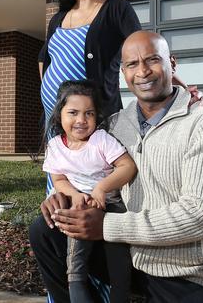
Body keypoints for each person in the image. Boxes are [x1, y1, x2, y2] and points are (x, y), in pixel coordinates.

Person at [29, 31, 203, 302]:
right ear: (123, 73)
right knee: (44, 230)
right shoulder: (115, 124)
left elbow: (201, 216)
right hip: (130, 258)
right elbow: (83, 164)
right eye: (131, 64)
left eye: (152, 60)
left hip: (187, 274)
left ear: (172, 64)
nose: (142, 71)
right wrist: (59, 196)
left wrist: (106, 225)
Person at [38, 0, 193, 194]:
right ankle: (60, 224)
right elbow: (45, 57)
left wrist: (183, 88)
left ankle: (98, 225)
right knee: (60, 173)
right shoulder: (57, 18)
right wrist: (46, 95)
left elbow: (145, 50)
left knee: (93, 175)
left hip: (91, 115)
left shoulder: (116, 10)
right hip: (58, 114)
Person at [42, 80, 136, 303]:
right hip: (79, 207)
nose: (81, 120)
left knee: (118, 265)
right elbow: (58, 178)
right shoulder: (55, 146)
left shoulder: (100, 140)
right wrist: (75, 195)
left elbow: (128, 166)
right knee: (75, 267)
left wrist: (101, 188)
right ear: (59, 115)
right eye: (73, 112)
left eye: (89, 113)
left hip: (110, 208)